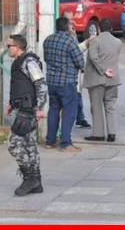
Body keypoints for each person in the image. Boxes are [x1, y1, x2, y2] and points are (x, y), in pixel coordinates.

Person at [4, 34, 48, 196]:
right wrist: (11, 103)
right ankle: (37, 182)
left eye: (9, 46)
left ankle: (29, 178)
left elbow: (41, 85)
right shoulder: (19, 62)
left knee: (13, 144)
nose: (7, 49)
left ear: (18, 47)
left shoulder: (29, 62)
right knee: (30, 146)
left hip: (28, 112)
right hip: (22, 109)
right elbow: (20, 86)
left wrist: (40, 108)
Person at [43, 17, 85, 152]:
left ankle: (50, 141)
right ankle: (66, 143)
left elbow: (46, 58)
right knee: (69, 112)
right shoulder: (70, 42)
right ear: (67, 27)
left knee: (54, 110)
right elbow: (80, 62)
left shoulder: (48, 40)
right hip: (67, 82)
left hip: (52, 81)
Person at [83, 19, 122, 142]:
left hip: (98, 78)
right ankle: (112, 133)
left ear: (99, 29)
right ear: (111, 28)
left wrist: (104, 69)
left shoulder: (96, 41)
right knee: (110, 106)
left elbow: (93, 57)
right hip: (113, 79)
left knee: (97, 107)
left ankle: (98, 133)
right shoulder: (118, 42)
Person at [61, 9, 93, 129]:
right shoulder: (64, 34)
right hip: (68, 72)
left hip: (75, 71)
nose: (72, 22)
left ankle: (80, 118)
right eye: (69, 20)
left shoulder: (72, 31)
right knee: (73, 97)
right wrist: (86, 43)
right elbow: (73, 50)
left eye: (72, 19)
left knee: (78, 95)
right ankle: (72, 121)